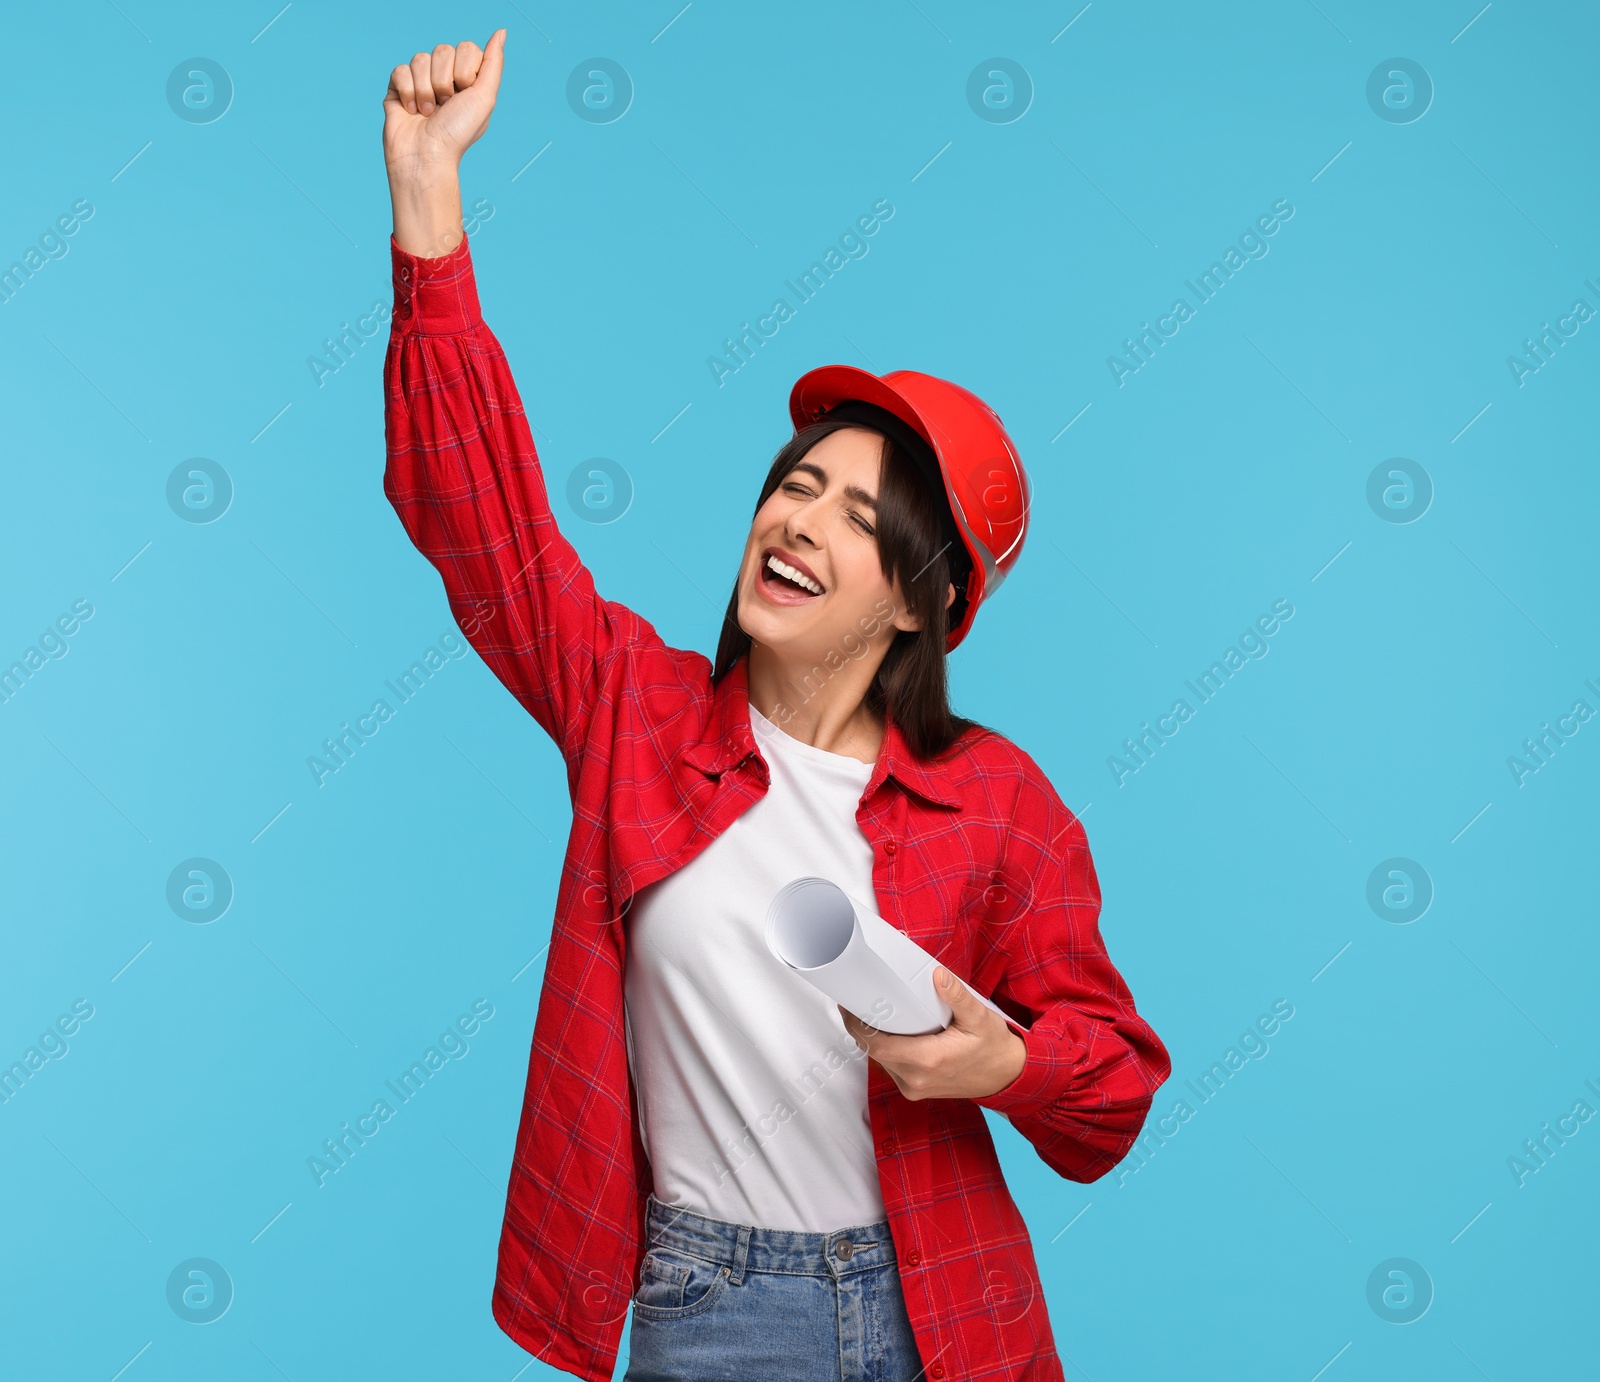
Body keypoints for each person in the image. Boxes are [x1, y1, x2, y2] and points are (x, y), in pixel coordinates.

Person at [382, 30, 1171, 1382]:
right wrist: (427, 207)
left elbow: (1112, 1093)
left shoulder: (1001, 802)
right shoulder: (631, 705)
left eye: (856, 517)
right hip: (715, 1306)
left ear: (924, 603)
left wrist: (1000, 1064)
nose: (796, 521)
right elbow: (482, 525)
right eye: (796, 483)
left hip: (947, 1310)